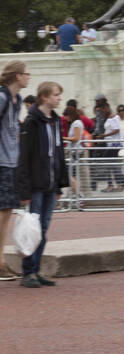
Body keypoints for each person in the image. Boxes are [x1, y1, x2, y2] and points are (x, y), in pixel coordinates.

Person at [16, 80, 69, 287]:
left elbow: (58, 153)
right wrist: (24, 189)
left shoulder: (55, 120)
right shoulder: (32, 121)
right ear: (45, 96)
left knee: (43, 229)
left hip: (50, 183)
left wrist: (59, 184)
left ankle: (35, 270)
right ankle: (27, 272)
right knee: (33, 229)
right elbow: (25, 156)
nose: (59, 98)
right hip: (36, 184)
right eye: (56, 94)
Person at [0, 60, 28, 281]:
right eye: (27, 73)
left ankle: (0, 261)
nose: (29, 77)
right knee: (3, 211)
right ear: (18, 76)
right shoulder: (2, 98)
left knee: (7, 210)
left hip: (11, 161)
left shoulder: (16, 100)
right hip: (2, 161)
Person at [64, 101, 90, 199]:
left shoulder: (76, 123)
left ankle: (78, 195)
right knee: (72, 175)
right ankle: (77, 195)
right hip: (73, 152)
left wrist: (64, 138)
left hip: (75, 152)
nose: (66, 118)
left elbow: (76, 138)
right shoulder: (75, 123)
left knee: (70, 174)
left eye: (66, 116)